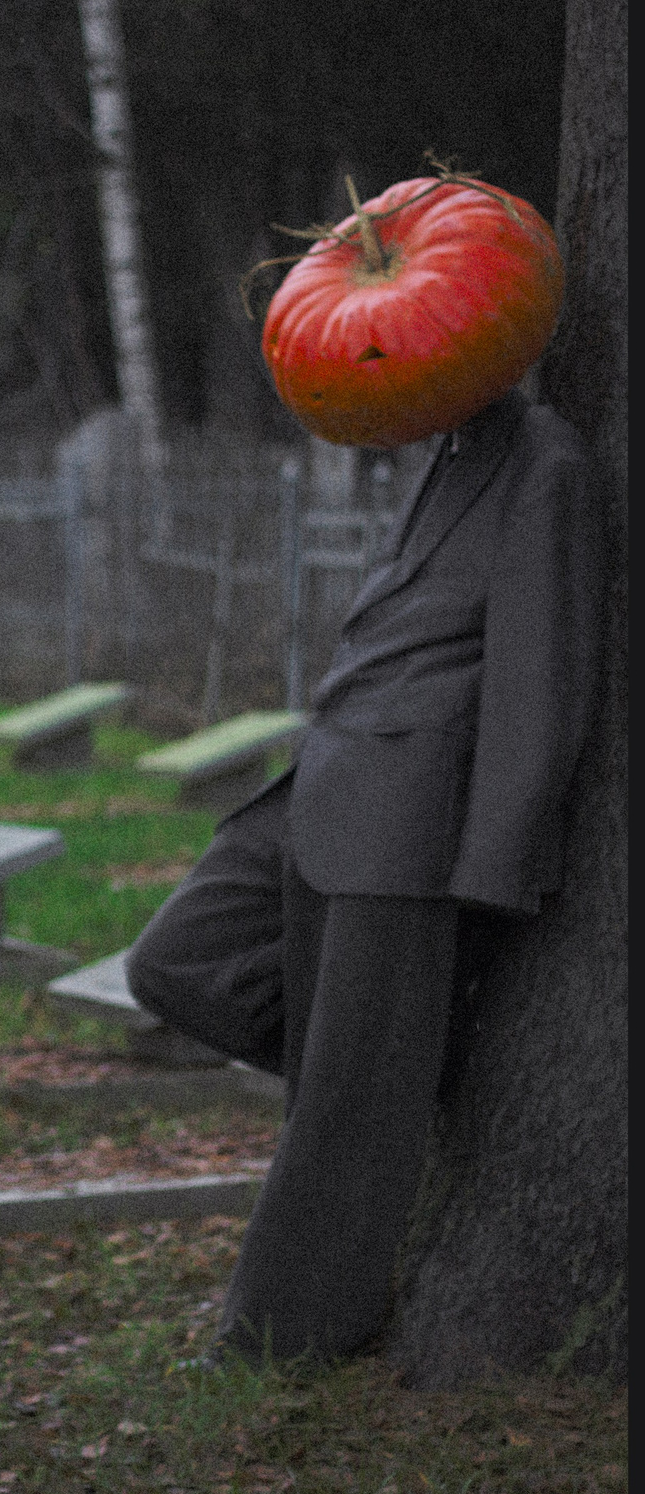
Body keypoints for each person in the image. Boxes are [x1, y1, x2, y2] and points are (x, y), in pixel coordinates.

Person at [125, 381, 604, 1368]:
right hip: (324, 791)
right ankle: (400, 1075)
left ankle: (275, 1346)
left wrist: (494, 870)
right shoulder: (446, 450)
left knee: (344, 1104)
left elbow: (540, 686)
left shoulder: (543, 463)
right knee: (174, 962)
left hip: (411, 827)